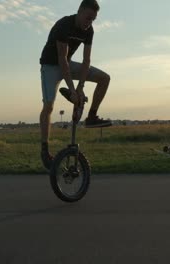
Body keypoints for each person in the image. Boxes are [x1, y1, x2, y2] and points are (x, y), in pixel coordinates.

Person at [39, 0, 111, 167]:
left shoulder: (89, 31)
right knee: (48, 106)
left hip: (68, 64)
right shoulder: (64, 25)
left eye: (93, 20)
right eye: (88, 18)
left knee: (104, 78)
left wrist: (80, 87)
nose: (89, 23)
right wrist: (72, 89)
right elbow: (61, 59)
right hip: (51, 65)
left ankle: (91, 117)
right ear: (79, 12)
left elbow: (86, 61)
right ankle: (44, 150)